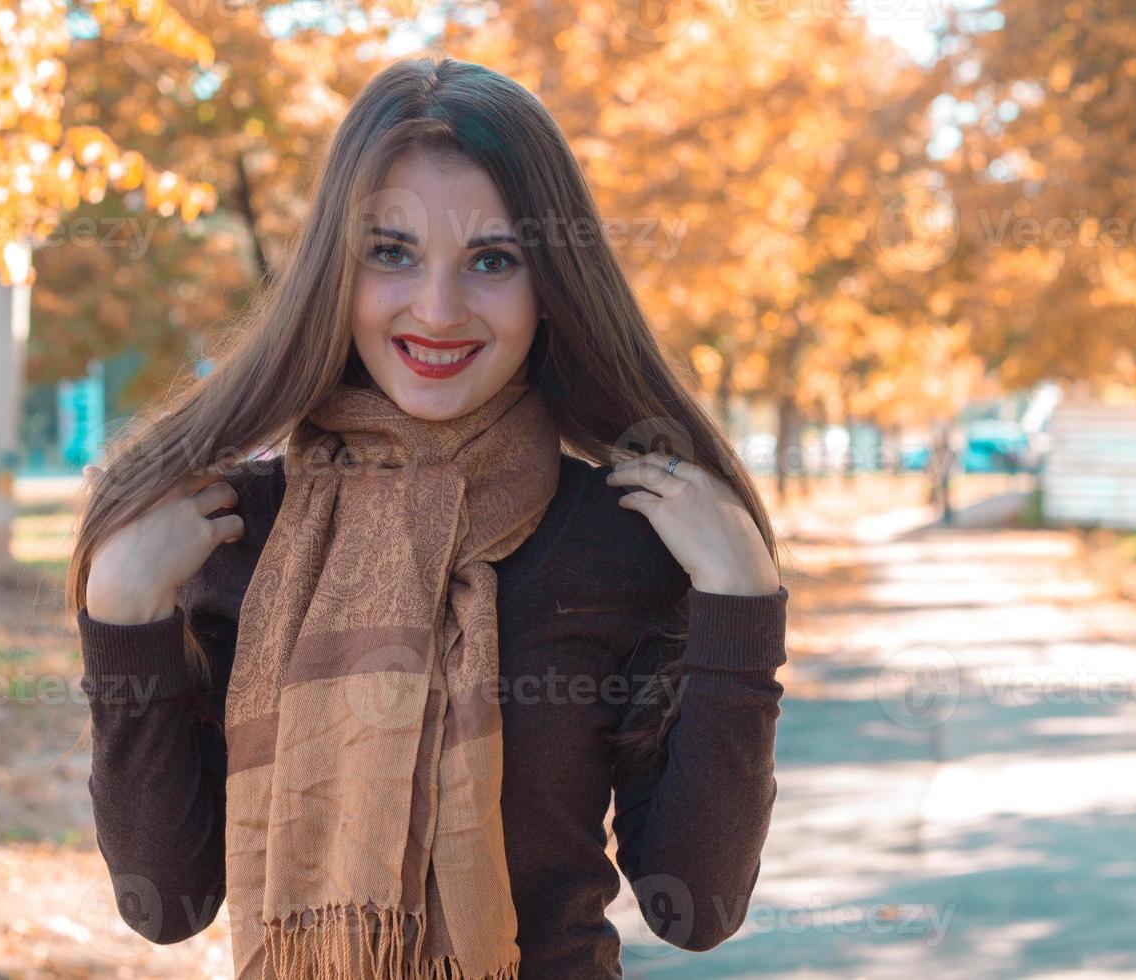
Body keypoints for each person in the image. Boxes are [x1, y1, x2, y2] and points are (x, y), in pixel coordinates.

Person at [67, 55, 789, 980]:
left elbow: (699, 907)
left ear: (550, 285)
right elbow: (166, 902)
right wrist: (125, 613)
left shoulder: (622, 539)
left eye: (492, 260)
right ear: (337, 267)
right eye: (391, 252)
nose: (437, 309)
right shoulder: (232, 532)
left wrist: (739, 604)